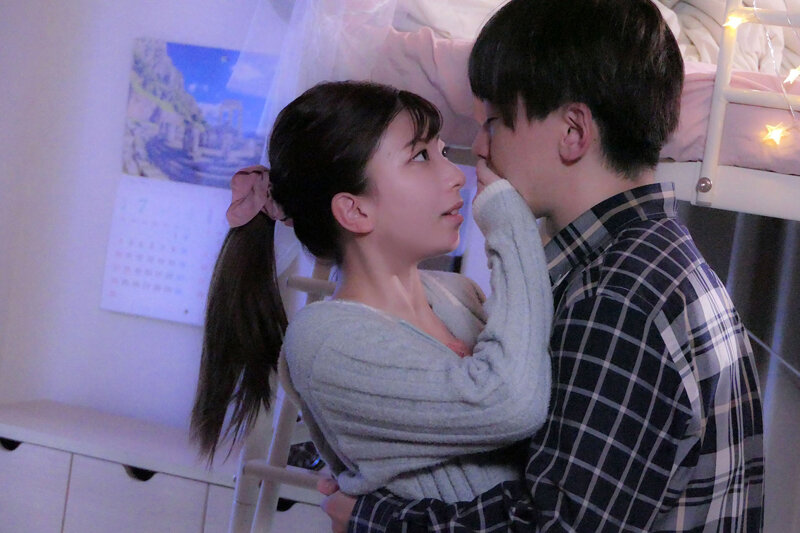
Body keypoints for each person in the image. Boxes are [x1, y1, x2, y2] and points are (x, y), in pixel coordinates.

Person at [323, 0, 765, 531]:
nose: (479, 148)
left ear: (573, 131)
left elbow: (558, 523)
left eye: (494, 123)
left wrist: (375, 518)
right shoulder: (661, 258)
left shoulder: (615, 297)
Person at [190, 80, 555, 503]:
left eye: (441, 152)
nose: (457, 176)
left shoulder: (459, 293)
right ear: (355, 209)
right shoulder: (325, 341)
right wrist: (510, 221)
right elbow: (511, 402)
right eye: (420, 156)